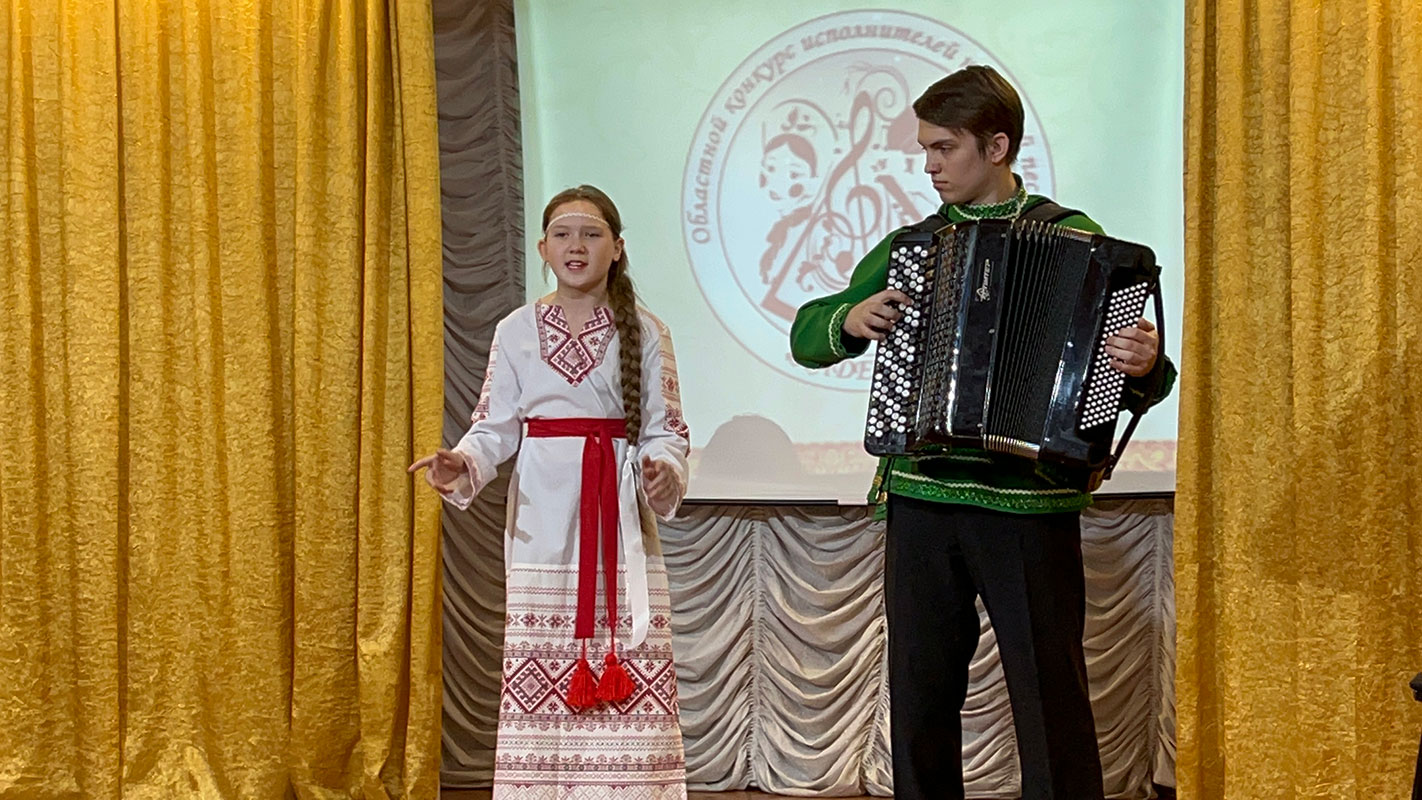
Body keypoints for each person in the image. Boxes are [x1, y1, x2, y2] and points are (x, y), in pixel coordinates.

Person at [789, 65, 1177, 800]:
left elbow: (1147, 380)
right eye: (925, 150)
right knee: (921, 696)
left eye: (944, 149)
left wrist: (1144, 363)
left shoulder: (1077, 238)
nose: (929, 167)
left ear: (997, 147)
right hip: (924, 497)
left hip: (1029, 503)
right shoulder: (913, 245)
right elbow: (807, 332)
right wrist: (850, 319)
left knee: (1049, 697)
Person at [411, 185, 691, 799]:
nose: (576, 246)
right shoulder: (515, 330)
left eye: (591, 234)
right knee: (543, 660)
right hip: (542, 520)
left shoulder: (648, 331)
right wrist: (463, 460)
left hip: (618, 522)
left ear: (617, 248)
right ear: (542, 248)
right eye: (562, 234)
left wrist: (663, 471)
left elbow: (666, 431)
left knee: (628, 656)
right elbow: (494, 427)